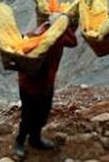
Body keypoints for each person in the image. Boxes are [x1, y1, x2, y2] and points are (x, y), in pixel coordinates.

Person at [13, 14, 78, 159]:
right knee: (28, 115)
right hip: (29, 85)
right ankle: (19, 142)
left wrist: (67, 28)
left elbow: (73, 42)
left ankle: (35, 139)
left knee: (43, 113)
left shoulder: (59, 36)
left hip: (47, 83)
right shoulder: (38, 37)